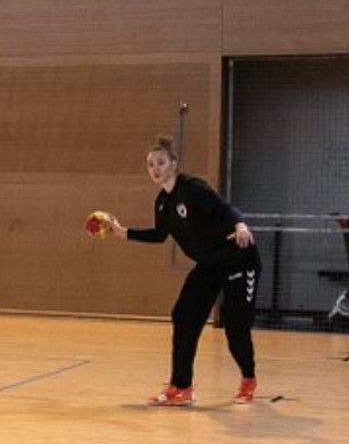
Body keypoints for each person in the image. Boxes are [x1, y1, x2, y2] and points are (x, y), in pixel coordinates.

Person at [103, 137, 260, 406]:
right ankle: (182, 386)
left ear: (174, 164)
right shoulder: (162, 202)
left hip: (238, 257)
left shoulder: (192, 187)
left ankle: (248, 377)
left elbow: (225, 208)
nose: (155, 169)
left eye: (161, 162)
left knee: (235, 326)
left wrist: (241, 225)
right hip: (210, 263)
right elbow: (160, 235)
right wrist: (122, 232)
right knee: (183, 316)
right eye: (151, 164)